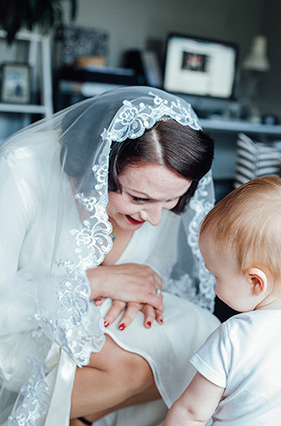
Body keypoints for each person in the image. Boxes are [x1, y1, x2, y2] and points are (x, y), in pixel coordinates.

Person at [0, 86, 220, 426]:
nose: (156, 218)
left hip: (100, 312)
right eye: (139, 199)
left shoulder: (156, 191)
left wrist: (135, 293)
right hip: (21, 323)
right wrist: (96, 281)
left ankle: (86, 416)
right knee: (132, 367)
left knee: (204, 346)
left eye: (171, 200)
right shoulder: (20, 170)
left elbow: (153, 265)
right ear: (93, 168)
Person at [163, 175, 281, 426]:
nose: (213, 283)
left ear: (255, 282)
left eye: (216, 275)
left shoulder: (235, 336)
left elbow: (191, 413)